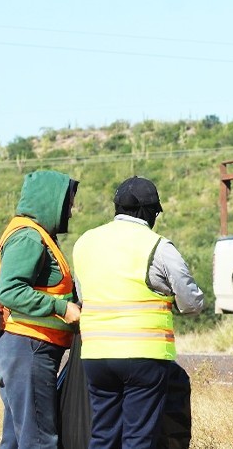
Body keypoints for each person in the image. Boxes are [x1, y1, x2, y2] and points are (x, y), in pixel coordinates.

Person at [72, 176, 204, 448]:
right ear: (150, 212)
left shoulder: (85, 242)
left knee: (103, 435)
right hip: (144, 356)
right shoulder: (157, 245)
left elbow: (84, 295)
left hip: (96, 354)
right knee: (138, 438)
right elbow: (191, 302)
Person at [0, 170, 81, 449]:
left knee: (17, 440)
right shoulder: (29, 237)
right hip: (29, 347)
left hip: (24, 348)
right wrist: (62, 308)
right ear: (49, 200)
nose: (70, 210)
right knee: (39, 441)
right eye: (67, 202)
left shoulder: (35, 234)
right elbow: (10, 290)